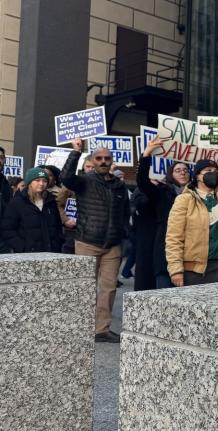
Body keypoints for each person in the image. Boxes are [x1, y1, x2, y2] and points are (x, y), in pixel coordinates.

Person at [62, 138, 130, 343]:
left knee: (109, 288)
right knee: (85, 287)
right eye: (98, 158)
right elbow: (66, 177)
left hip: (112, 245)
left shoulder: (119, 185)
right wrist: (76, 152)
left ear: (111, 161)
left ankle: (101, 329)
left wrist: (122, 233)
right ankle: (81, 326)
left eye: (106, 158)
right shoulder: (84, 180)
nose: (103, 161)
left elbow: (125, 211)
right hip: (87, 241)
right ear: (92, 160)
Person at [165, 137, 218, 287]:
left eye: (216, 171)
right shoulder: (184, 200)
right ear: (197, 175)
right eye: (208, 171)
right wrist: (176, 270)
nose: (213, 173)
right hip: (197, 271)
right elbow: (174, 238)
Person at [137, 138, 190, 289]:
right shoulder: (162, 192)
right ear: (171, 174)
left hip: (189, 251)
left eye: (186, 170)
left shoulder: (195, 194)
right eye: (178, 170)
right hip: (165, 250)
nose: (182, 173)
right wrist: (147, 154)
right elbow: (142, 182)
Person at [0, 167, 63, 253]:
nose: (41, 184)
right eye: (37, 180)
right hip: (27, 255)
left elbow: (57, 227)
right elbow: (7, 229)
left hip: (51, 253)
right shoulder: (17, 202)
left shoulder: (51, 201)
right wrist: (23, 247)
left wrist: (57, 244)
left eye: (44, 181)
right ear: (29, 183)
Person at [57, 155, 95, 254]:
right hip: (72, 231)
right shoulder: (72, 184)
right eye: (88, 166)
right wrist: (65, 220)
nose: (90, 169)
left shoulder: (103, 185)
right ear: (83, 167)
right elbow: (58, 204)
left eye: (93, 167)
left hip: (93, 232)